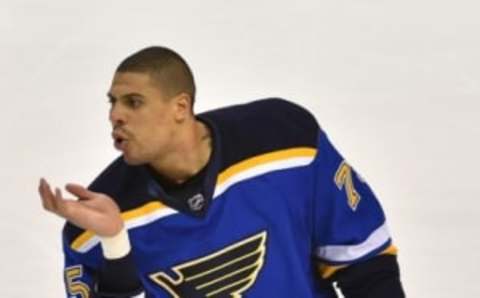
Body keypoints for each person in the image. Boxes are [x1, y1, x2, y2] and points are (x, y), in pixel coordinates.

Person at [39, 46, 405, 298]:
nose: (115, 115)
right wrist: (116, 242)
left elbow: (364, 262)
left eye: (134, 102)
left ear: (180, 107)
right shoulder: (96, 221)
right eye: (113, 102)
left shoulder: (285, 143)